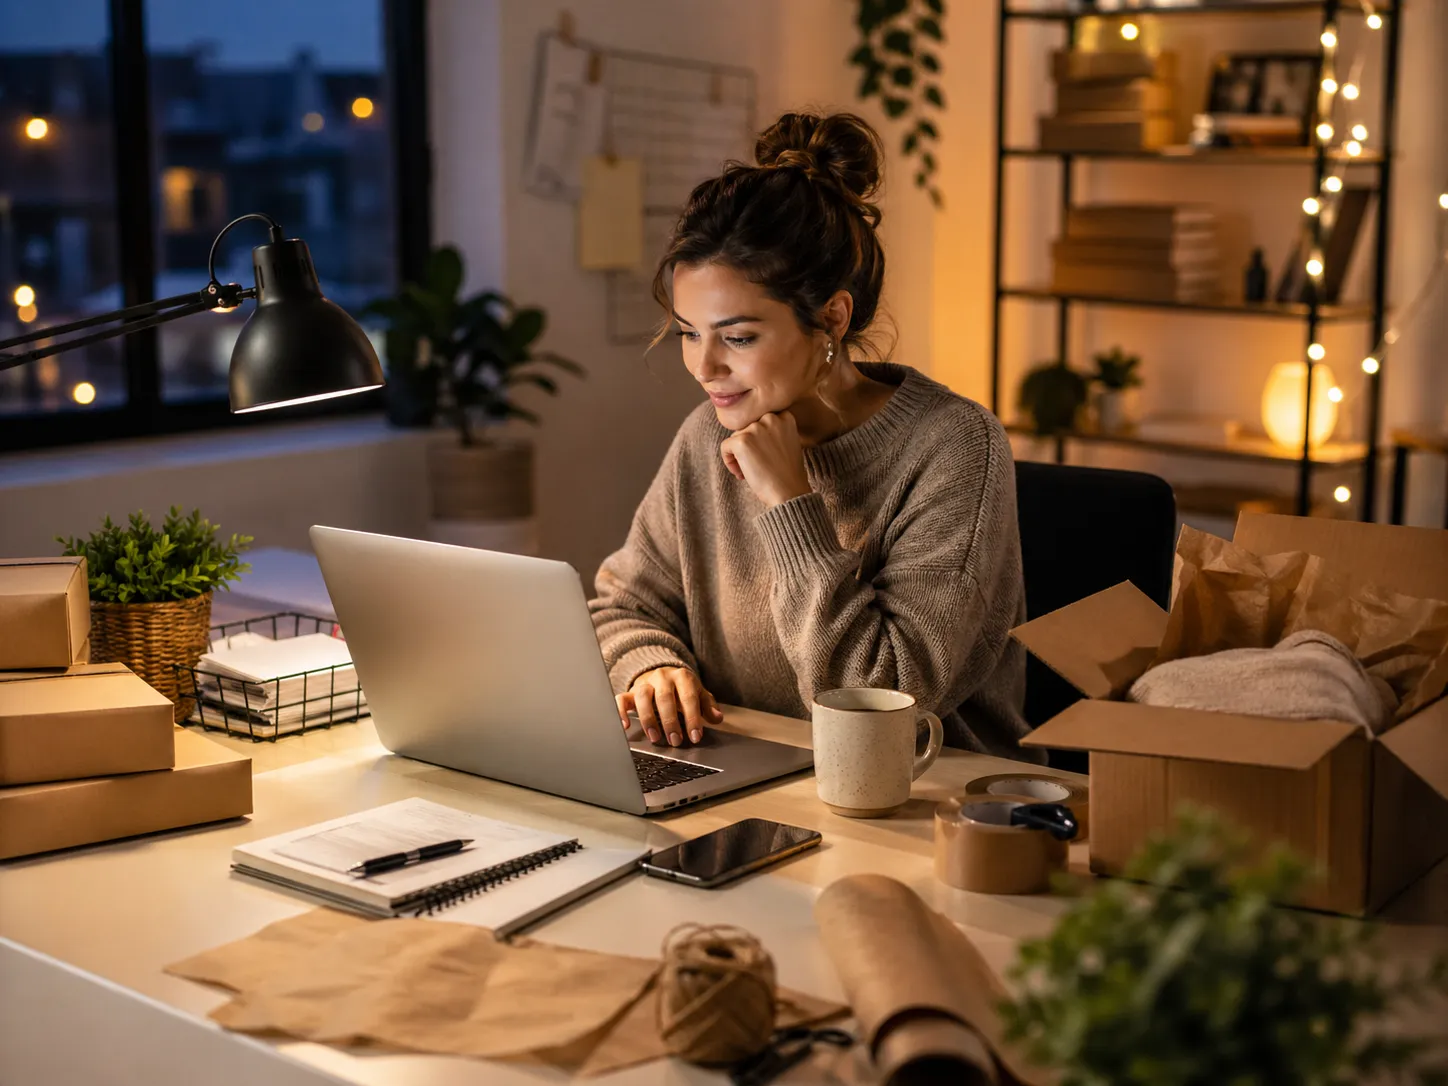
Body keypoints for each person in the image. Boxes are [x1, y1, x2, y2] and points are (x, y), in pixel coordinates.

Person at [588, 111, 1038, 762]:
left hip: (922, 799)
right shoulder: (705, 437)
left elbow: (876, 699)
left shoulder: (955, 446)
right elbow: (622, 603)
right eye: (690, 332)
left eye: (738, 337)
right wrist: (648, 666)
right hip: (748, 769)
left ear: (831, 317)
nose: (704, 367)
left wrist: (791, 505)